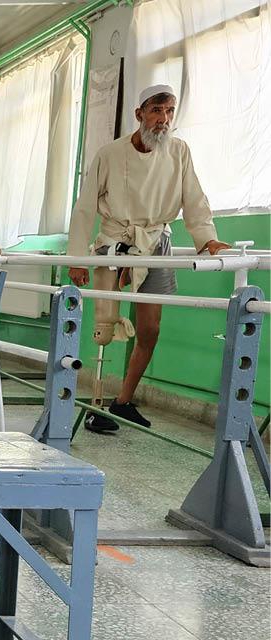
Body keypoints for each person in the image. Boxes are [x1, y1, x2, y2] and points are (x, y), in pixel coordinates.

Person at [67, 83, 230, 433]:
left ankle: (122, 401)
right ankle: (95, 402)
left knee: (150, 329)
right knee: (104, 327)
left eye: (169, 111)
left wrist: (209, 240)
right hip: (115, 241)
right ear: (139, 113)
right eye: (157, 110)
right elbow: (84, 207)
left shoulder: (179, 151)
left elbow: (195, 198)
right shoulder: (110, 153)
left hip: (156, 243)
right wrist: (77, 257)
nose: (163, 119)